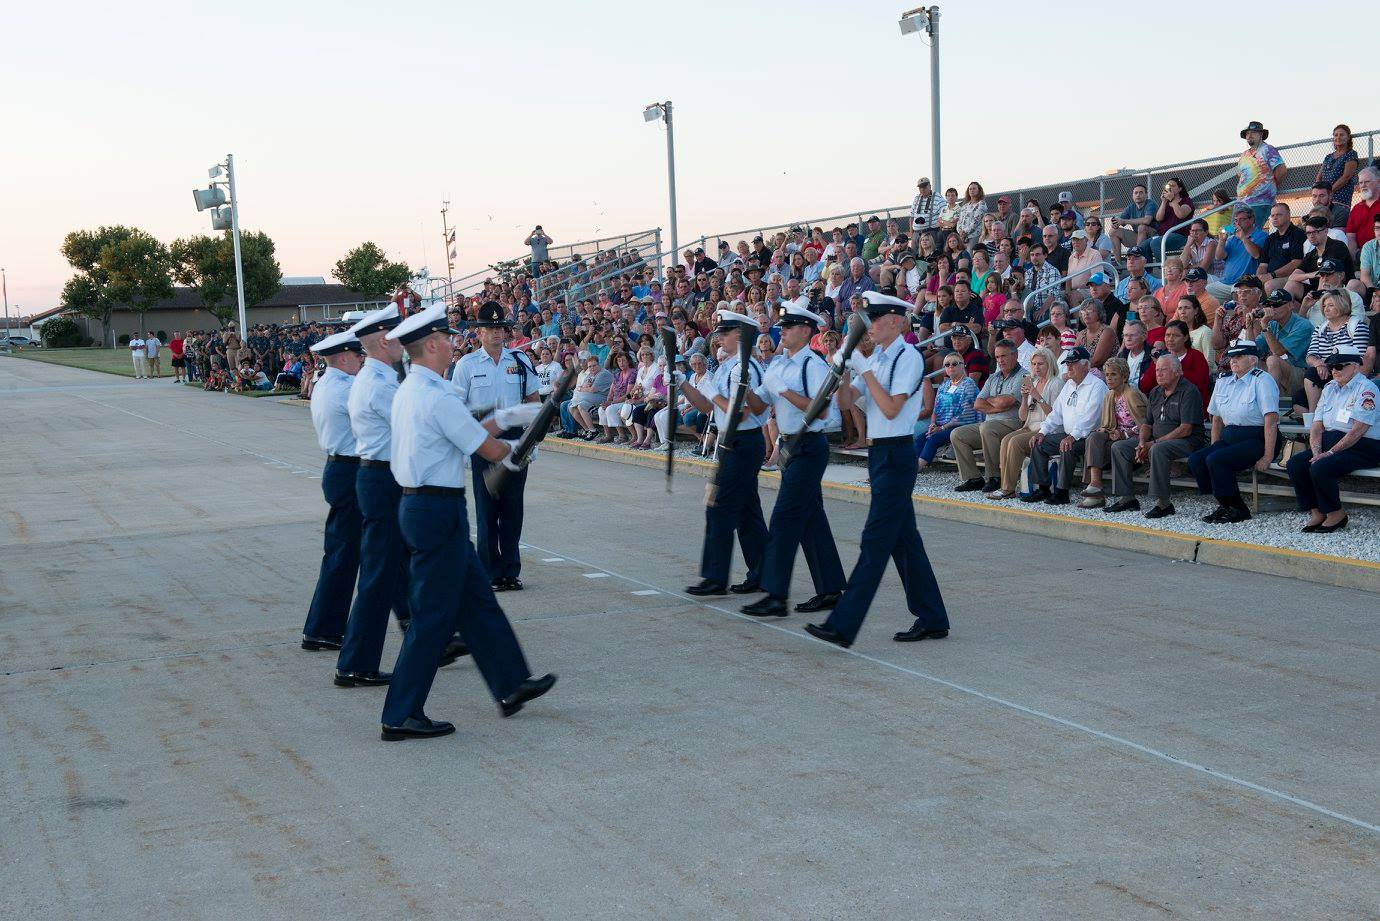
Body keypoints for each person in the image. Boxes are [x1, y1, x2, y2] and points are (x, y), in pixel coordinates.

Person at [381, 304, 555, 740]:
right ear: (433, 345)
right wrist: (518, 447)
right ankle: (400, 713)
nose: (454, 344)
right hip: (436, 510)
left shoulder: (412, 389)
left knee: (477, 600)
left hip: (428, 507)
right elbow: (487, 449)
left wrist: (508, 420)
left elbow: (466, 431)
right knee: (432, 617)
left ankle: (511, 684)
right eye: (448, 339)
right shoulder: (436, 395)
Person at [805, 290, 949, 649]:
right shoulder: (880, 358)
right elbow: (847, 402)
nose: (870, 326)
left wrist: (863, 368)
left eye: (877, 319)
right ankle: (932, 616)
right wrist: (841, 370)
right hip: (880, 455)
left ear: (898, 321)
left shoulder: (907, 358)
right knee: (904, 542)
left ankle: (843, 623)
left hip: (898, 454)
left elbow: (889, 409)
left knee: (875, 542)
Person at [739, 302, 847, 619]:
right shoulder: (777, 365)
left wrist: (783, 391)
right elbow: (759, 406)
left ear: (805, 331)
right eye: (782, 326)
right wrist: (745, 387)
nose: (781, 331)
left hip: (808, 446)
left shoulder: (811, 366)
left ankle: (775, 595)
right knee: (811, 520)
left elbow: (822, 410)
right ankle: (830, 589)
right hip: (789, 446)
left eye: (788, 326)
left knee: (785, 519)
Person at [451, 301, 541, 591]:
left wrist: (532, 439)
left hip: (515, 439)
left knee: (513, 510)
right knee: (487, 510)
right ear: (479, 333)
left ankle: (511, 570)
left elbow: (534, 402)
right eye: (489, 329)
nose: (496, 333)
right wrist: (467, 447)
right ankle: (490, 572)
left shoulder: (520, 361)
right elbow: (457, 409)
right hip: (481, 438)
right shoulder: (466, 365)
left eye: (500, 328)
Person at [679, 308, 769, 596]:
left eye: (724, 332)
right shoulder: (727, 366)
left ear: (739, 335)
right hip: (731, 443)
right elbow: (708, 408)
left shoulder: (746, 368)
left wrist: (714, 393)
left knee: (718, 508)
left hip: (743, 441)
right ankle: (763, 573)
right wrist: (680, 383)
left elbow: (739, 413)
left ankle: (715, 578)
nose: (718, 337)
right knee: (747, 512)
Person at [301, 331, 366, 652]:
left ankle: (322, 627)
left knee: (345, 552)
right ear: (343, 357)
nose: (361, 361)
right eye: (358, 356)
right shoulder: (347, 389)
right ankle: (323, 628)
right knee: (345, 554)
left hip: (339, 467)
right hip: (353, 470)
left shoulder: (324, 383)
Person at [1287, 348, 1380, 533]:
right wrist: (1316, 453)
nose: (1334, 371)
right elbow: (1316, 425)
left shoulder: (1367, 390)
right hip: (1332, 442)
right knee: (1296, 463)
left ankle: (1336, 514)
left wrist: (1328, 454)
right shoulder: (1329, 388)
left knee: (1321, 466)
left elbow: (1357, 431)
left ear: (1354, 366)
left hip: (1363, 446)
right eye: (1331, 367)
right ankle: (1317, 511)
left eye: (1339, 366)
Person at [1187, 343, 1280, 523]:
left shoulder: (1262, 380)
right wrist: (1214, 446)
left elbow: (1270, 420)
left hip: (1256, 438)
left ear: (1253, 360)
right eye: (1232, 357)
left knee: (1217, 460)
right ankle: (1224, 503)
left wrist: (1268, 456)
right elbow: (1217, 419)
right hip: (1230, 437)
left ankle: (1238, 509)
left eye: (1239, 357)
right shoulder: (1223, 380)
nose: (1233, 360)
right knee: (1197, 460)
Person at [1106, 354, 1207, 519]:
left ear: (1177, 371)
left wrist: (1153, 444)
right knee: (1119, 447)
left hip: (1187, 441)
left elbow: (1186, 429)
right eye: (1157, 370)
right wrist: (1141, 442)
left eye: (1163, 370)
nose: (1158, 374)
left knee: (1158, 450)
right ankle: (1127, 498)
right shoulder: (1155, 392)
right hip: (1156, 440)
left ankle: (1164, 504)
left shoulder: (1189, 391)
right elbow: (1147, 424)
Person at [1023, 347, 1109, 504]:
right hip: (1070, 434)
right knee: (1039, 443)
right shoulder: (1069, 384)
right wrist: (1042, 432)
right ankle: (1043, 488)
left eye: (1073, 364)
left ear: (1085, 365)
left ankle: (1062, 492)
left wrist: (1071, 437)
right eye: (1067, 364)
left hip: (1088, 437)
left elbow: (1090, 418)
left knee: (1067, 446)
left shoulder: (1097, 386)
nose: (1068, 367)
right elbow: (1056, 413)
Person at [986, 347, 1063, 500]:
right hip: (1029, 425)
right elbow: (1022, 417)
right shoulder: (1033, 382)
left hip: (1046, 429)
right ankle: (1004, 484)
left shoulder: (1056, 384)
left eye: (1040, 364)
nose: (1036, 367)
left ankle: (1007, 488)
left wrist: (1037, 396)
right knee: (1006, 439)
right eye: (1034, 364)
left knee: (1014, 442)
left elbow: (1056, 417)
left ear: (1049, 364)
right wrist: (1023, 397)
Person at [951, 340, 1027, 493]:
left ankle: (995, 477)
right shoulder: (993, 377)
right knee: (957, 434)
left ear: (1015, 355)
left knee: (987, 428)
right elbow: (978, 404)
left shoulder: (1023, 375)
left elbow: (1008, 401)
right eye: (997, 357)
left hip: (1012, 424)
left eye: (1004, 356)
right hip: (990, 425)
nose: (1000, 360)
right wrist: (997, 405)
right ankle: (973, 478)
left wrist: (991, 401)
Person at [1077, 358, 1146, 509]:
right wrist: (1110, 433)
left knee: (1116, 446)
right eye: (1107, 374)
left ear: (1124, 376)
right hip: (1117, 436)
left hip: (1136, 439)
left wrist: (1124, 434)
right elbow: (1106, 425)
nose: (1109, 378)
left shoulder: (1132, 394)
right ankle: (1095, 484)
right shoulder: (1109, 395)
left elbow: (1145, 425)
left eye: (1114, 374)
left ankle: (1110, 497)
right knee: (1094, 437)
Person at [915, 353, 980, 469]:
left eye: (954, 364)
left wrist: (942, 427)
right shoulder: (944, 386)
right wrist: (933, 424)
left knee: (933, 439)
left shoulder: (968, 384)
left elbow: (965, 414)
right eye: (947, 364)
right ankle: (910, 465)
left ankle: (917, 468)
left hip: (962, 425)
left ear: (962, 365)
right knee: (921, 438)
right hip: (942, 425)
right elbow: (936, 408)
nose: (951, 367)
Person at [1236, 120, 1287, 228]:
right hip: (1242, 202)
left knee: (1252, 233)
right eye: (1247, 133)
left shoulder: (1268, 149)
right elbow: (1240, 176)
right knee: (1236, 234)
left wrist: (1269, 187)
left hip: (1260, 202)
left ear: (1261, 135)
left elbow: (1281, 170)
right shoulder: (1244, 154)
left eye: (1253, 132)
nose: (1249, 135)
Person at [1316, 124, 1359, 228]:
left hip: (1340, 200)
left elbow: (1346, 177)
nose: (1338, 137)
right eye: (1335, 135)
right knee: (1322, 228)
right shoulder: (1328, 157)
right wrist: (1319, 192)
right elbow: (1319, 177)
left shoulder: (1351, 154)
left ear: (1348, 137)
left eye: (1341, 135)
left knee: (1336, 228)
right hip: (1324, 201)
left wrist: (1329, 191)